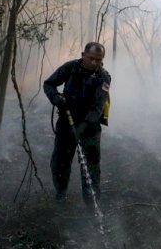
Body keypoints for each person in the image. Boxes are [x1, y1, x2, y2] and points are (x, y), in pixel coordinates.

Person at [43, 42, 111, 203]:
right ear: (83, 55)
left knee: (91, 166)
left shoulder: (104, 76)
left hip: (90, 128)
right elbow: (49, 84)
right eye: (91, 58)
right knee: (60, 161)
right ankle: (60, 194)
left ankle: (91, 202)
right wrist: (56, 98)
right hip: (66, 122)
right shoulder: (70, 67)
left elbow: (98, 106)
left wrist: (84, 126)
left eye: (99, 60)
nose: (94, 62)